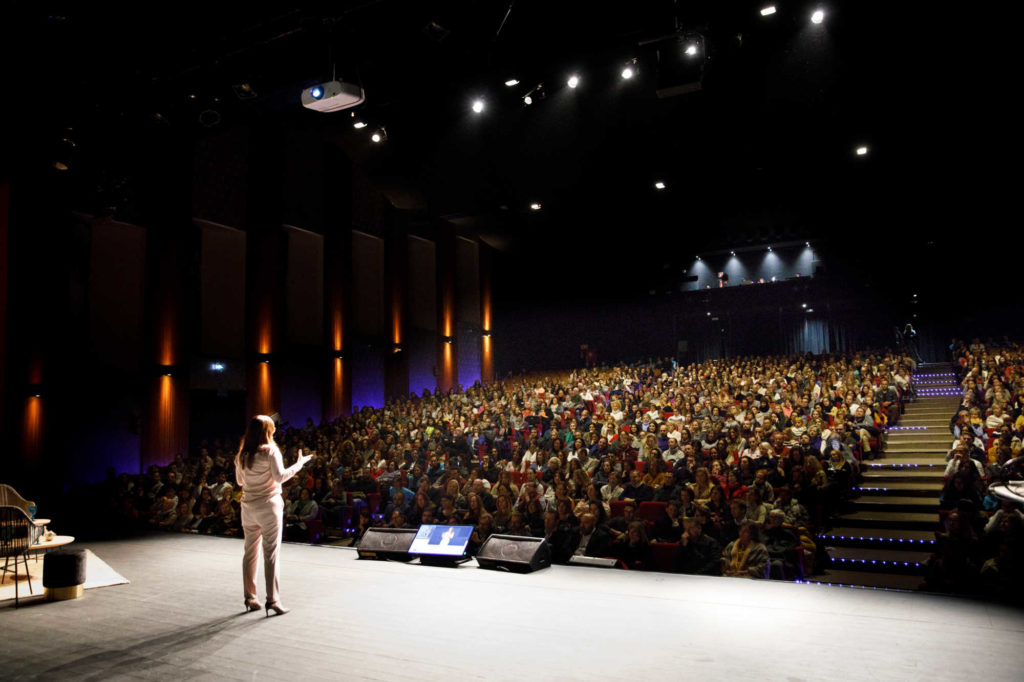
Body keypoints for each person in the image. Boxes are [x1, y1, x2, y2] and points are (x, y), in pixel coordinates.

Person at [235, 415, 312, 616]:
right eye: (272, 428)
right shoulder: (270, 451)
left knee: (250, 552)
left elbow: (240, 482)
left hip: (248, 507)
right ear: (266, 431)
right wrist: (299, 464)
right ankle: (273, 600)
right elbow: (280, 477)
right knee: (270, 553)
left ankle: (250, 597)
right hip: (268, 506)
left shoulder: (242, 454)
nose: (275, 430)